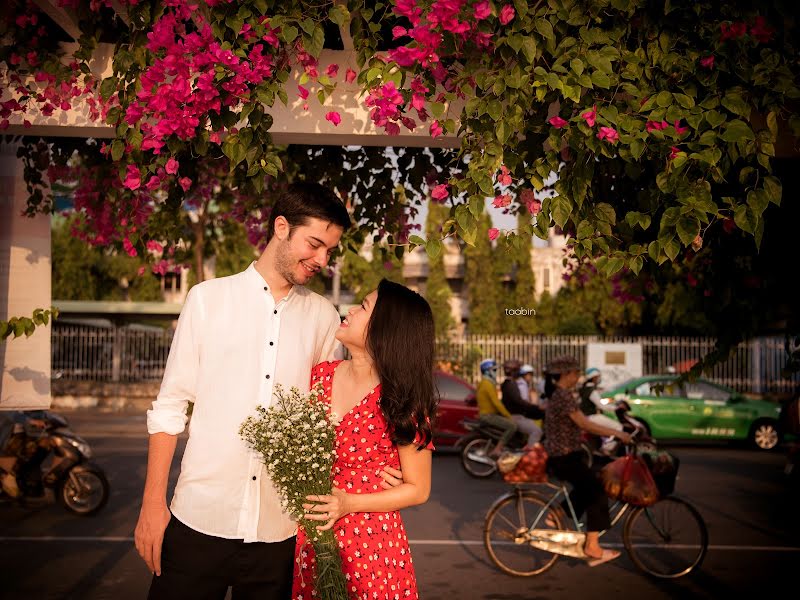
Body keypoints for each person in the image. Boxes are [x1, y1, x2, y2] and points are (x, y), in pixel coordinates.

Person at [134, 183, 403, 600]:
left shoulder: (323, 316)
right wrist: (153, 504)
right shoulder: (207, 300)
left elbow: (339, 401)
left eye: (330, 251)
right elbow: (170, 407)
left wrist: (383, 463)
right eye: (314, 244)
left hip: (280, 533)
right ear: (281, 227)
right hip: (198, 518)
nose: (322, 260)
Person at [294, 279, 436, 599]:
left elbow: (419, 489)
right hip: (314, 533)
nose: (350, 310)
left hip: (371, 543)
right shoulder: (320, 375)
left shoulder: (401, 398)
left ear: (385, 329)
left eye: (364, 307)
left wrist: (349, 502)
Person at [542, 355, 632, 567]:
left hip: (566, 455)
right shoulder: (563, 396)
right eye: (576, 373)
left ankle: (556, 514)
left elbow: (581, 422)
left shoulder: (561, 394)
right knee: (596, 489)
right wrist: (618, 434)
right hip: (563, 457)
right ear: (566, 374)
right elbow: (585, 424)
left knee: (588, 483)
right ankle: (592, 546)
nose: (578, 377)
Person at [475, 358, 517, 457]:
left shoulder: (486, 383)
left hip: (488, 414)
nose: (496, 373)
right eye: (494, 370)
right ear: (487, 371)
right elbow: (497, 403)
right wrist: (508, 416)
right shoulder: (487, 384)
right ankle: (497, 449)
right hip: (488, 416)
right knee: (512, 426)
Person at [579, 368, 624, 453]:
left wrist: (611, 403)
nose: (599, 379)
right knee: (618, 426)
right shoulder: (591, 391)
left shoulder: (585, 388)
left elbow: (599, 401)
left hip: (587, 416)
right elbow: (601, 406)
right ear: (594, 378)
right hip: (592, 416)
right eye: (598, 377)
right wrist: (616, 408)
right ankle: (607, 448)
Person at [501, 359, 543, 448]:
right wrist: (536, 407)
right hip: (515, 417)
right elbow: (519, 401)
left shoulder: (508, 383)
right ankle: (528, 455)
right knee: (537, 431)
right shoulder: (511, 384)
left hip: (515, 415)